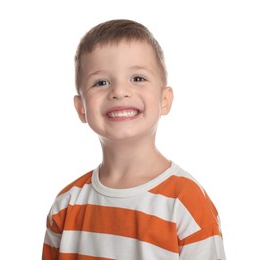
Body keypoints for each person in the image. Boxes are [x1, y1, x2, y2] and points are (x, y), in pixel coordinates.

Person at [42, 19, 226, 259]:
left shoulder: (186, 203)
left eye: (137, 78)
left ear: (165, 100)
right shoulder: (66, 205)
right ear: (81, 108)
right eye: (101, 82)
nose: (119, 91)